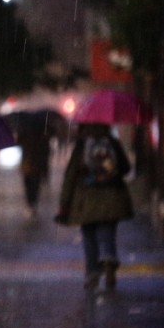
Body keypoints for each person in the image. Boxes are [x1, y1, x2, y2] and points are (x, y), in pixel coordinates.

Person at [55, 123, 133, 291]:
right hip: (112, 196)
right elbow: (126, 168)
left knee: (89, 234)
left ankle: (92, 272)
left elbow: (70, 175)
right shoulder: (112, 143)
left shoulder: (82, 145)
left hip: (86, 198)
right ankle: (108, 258)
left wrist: (64, 204)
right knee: (108, 230)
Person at [15, 127, 52, 216]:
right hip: (36, 165)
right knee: (35, 185)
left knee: (28, 185)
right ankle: (33, 203)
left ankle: (30, 204)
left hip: (27, 164)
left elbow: (18, 143)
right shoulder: (43, 136)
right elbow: (46, 152)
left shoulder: (24, 134)